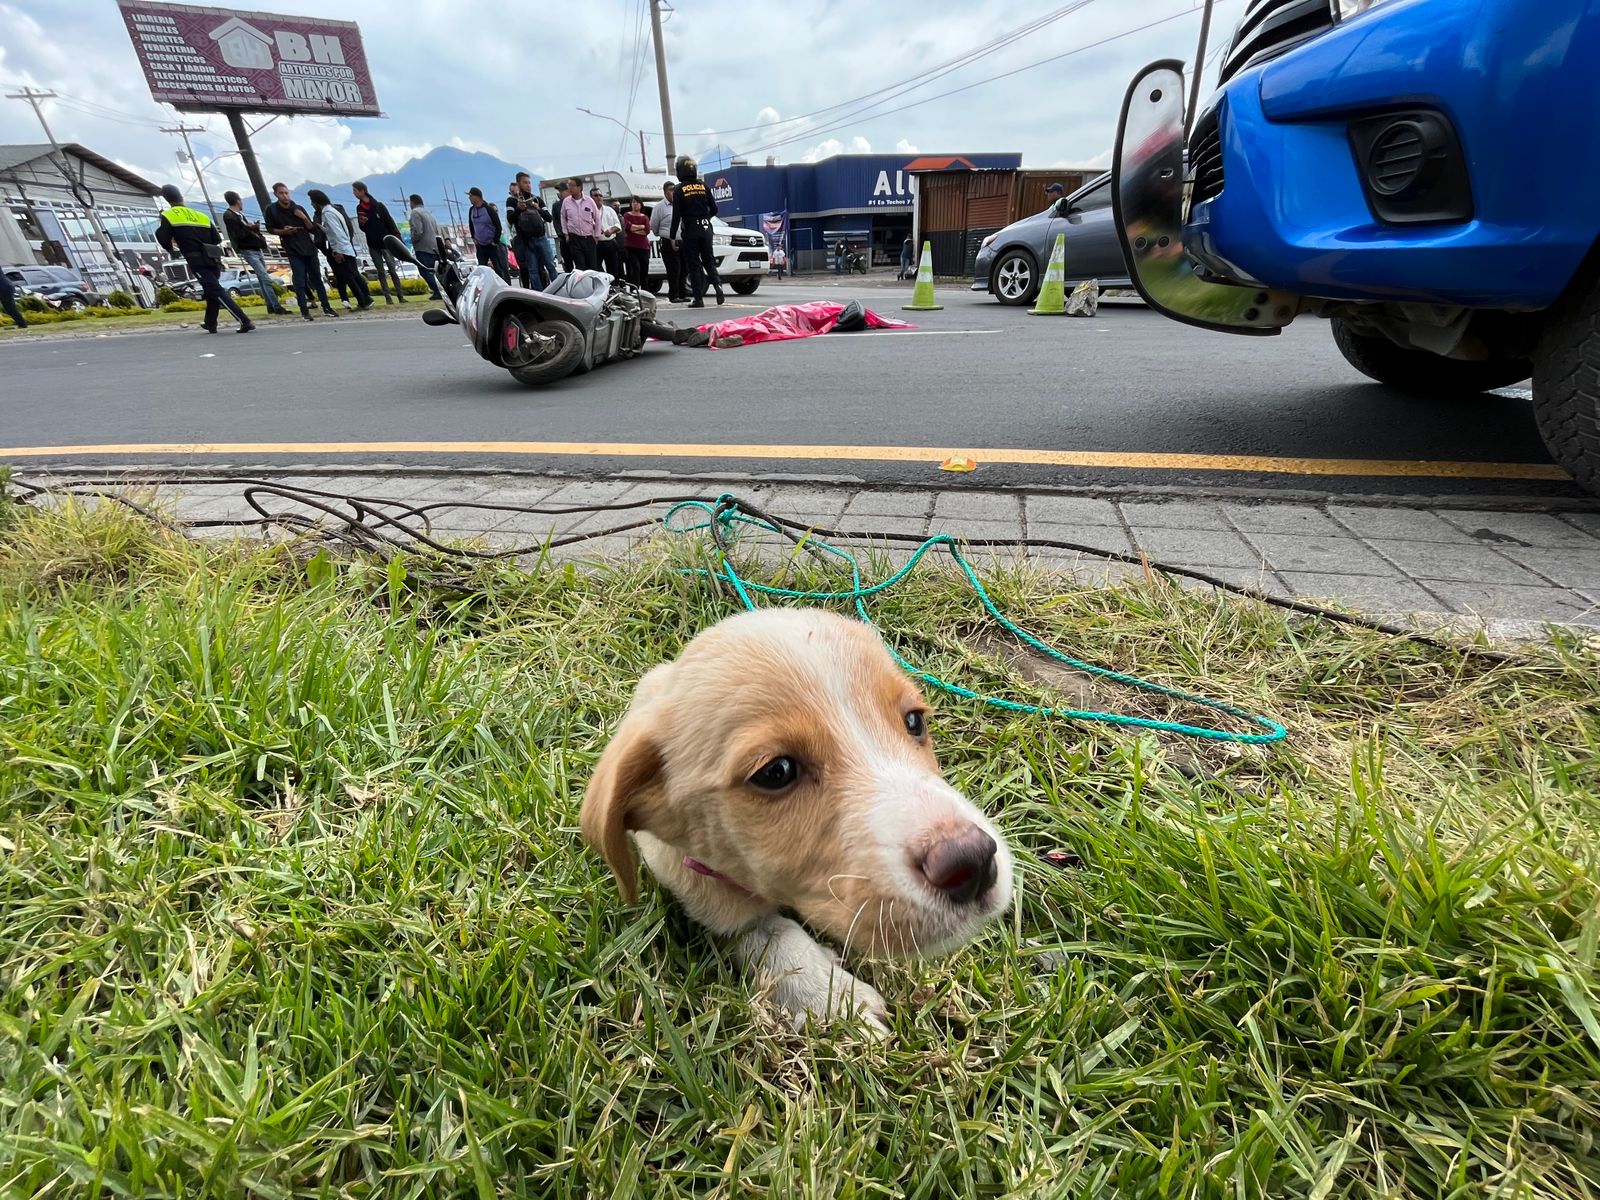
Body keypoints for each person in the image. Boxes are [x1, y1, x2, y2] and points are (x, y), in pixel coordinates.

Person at [155, 183, 254, 334]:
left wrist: (172, 246)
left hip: (196, 259)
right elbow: (216, 238)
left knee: (216, 290)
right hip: (213, 258)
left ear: (166, 199)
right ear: (181, 196)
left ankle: (245, 321)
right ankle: (210, 322)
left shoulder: (169, 215)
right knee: (210, 290)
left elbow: (162, 237)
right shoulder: (201, 215)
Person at [264, 182, 336, 320]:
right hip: (292, 249)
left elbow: (312, 228)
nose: (285, 196)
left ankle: (327, 307)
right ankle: (304, 311)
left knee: (317, 279)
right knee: (299, 281)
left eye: (286, 193)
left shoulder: (298, 208)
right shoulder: (272, 210)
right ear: (276, 194)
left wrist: (303, 217)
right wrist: (284, 231)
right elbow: (270, 229)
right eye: (281, 193)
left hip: (308, 248)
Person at [668, 155, 724, 307]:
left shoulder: (679, 189)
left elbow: (676, 216)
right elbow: (715, 209)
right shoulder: (703, 186)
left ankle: (698, 299)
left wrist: (672, 236)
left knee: (694, 265)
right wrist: (705, 217)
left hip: (691, 229)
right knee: (708, 260)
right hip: (706, 228)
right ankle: (718, 285)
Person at [221, 190, 289, 314]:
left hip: (255, 248)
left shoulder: (240, 215)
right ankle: (276, 306)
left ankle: (270, 306)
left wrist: (253, 228)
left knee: (262, 279)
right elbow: (238, 234)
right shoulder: (230, 216)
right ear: (237, 200)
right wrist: (249, 228)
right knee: (265, 278)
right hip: (248, 249)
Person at [309, 189, 373, 311]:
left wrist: (337, 251)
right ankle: (366, 298)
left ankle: (363, 301)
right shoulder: (334, 210)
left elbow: (337, 233)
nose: (312, 205)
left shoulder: (327, 213)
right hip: (346, 247)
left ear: (317, 202)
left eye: (312, 202)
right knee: (353, 275)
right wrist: (322, 228)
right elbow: (335, 230)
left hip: (341, 248)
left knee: (349, 277)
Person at [352, 181, 407, 304]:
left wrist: (397, 237)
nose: (354, 193)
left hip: (385, 242)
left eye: (355, 191)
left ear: (363, 191)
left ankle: (400, 296)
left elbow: (389, 222)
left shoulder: (378, 206)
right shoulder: (359, 208)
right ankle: (388, 297)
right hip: (372, 243)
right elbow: (362, 228)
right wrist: (363, 224)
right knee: (380, 272)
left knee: (392, 270)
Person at [507, 172, 556, 288]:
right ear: (518, 184)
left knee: (550, 266)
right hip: (526, 241)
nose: (528, 185)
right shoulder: (512, 201)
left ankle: (559, 291)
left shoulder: (537, 199)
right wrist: (518, 209)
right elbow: (510, 219)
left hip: (541, 238)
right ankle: (539, 296)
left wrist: (537, 207)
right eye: (525, 182)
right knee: (533, 271)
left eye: (529, 183)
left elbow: (549, 218)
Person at [650, 179, 685, 301]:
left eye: (675, 190)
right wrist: (663, 234)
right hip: (667, 241)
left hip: (682, 240)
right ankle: (673, 295)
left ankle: (682, 294)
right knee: (673, 269)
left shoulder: (680, 205)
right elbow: (654, 225)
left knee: (684, 269)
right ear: (665, 193)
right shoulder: (659, 207)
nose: (673, 192)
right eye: (671, 190)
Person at [465, 187, 509, 281]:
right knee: (482, 269)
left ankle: (504, 287)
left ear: (477, 196)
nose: (469, 198)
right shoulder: (471, 210)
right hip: (480, 245)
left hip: (491, 244)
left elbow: (498, 226)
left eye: (471, 196)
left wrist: (495, 241)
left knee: (499, 269)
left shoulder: (489, 209)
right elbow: (471, 224)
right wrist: (474, 237)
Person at [407, 194, 445, 299]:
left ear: (412, 202)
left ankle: (438, 291)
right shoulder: (428, 213)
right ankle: (440, 289)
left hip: (423, 246)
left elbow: (418, 231)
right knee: (434, 270)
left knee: (424, 270)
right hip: (433, 245)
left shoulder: (415, 213)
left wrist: (413, 240)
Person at [560, 178, 601, 271]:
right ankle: (582, 285)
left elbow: (597, 218)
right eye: (569, 186)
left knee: (592, 267)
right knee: (580, 267)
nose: (570, 188)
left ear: (579, 187)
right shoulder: (566, 202)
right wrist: (566, 234)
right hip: (574, 238)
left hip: (588, 238)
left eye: (572, 185)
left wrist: (596, 236)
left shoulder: (589, 201)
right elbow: (563, 217)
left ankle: (591, 285)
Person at [593, 188, 624, 277]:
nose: (598, 197)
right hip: (596, 243)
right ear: (591, 198)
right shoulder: (589, 211)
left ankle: (614, 287)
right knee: (596, 268)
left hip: (610, 242)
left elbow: (618, 226)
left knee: (613, 269)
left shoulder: (609, 210)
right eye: (595, 195)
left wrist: (611, 230)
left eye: (600, 195)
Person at [621, 195, 651, 289]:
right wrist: (640, 227)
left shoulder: (645, 217)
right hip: (631, 246)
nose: (635, 204)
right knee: (635, 268)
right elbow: (628, 227)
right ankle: (635, 290)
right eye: (633, 202)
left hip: (643, 246)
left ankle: (645, 291)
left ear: (641, 204)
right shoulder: (627, 215)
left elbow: (646, 230)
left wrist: (635, 229)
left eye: (637, 202)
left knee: (644, 269)